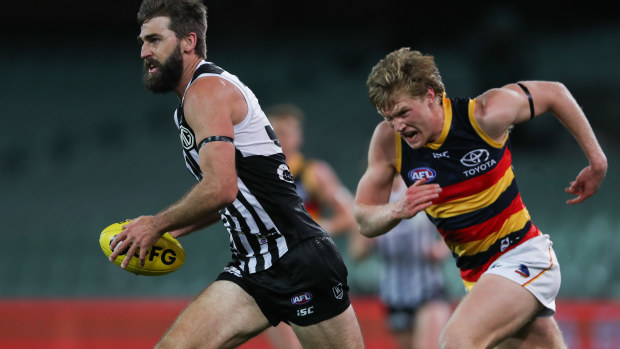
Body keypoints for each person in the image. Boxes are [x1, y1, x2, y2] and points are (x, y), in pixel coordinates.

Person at [109, 1, 365, 348]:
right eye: (142, 41)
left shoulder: (206, 91)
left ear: (188, 41)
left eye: (154, 40)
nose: (144, 52)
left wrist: (156, 224)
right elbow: (232, 197)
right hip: (253, 265)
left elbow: (221, 189)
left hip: (298, 258)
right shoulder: (190, 102)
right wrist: (168, 229)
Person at [354, 47, 607, 348]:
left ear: (431, 95)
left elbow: (555, 93)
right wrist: (397, 209)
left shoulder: (483, 115)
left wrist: (597, 162)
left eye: (403, 112)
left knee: (457, 341)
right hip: (478, 277)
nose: (397, 125)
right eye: (389, 116)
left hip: (523, 255)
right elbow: (364, 218)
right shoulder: (388, 143)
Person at [263, 103, 361, 349]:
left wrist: (321, 226)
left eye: (287, 133)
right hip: (269, 271)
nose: (281, 139)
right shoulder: (256, 174)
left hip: (309, 271)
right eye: (275, 132)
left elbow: (351, 215)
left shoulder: (314, 173)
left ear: (299, 137)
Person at [349, 174, 453, 349]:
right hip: (395, 293)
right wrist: (368, 233)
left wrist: (441, 249)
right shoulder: (371, 199)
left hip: (428, 287)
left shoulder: (421, 187)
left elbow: (452, 223)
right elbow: (357, 254)